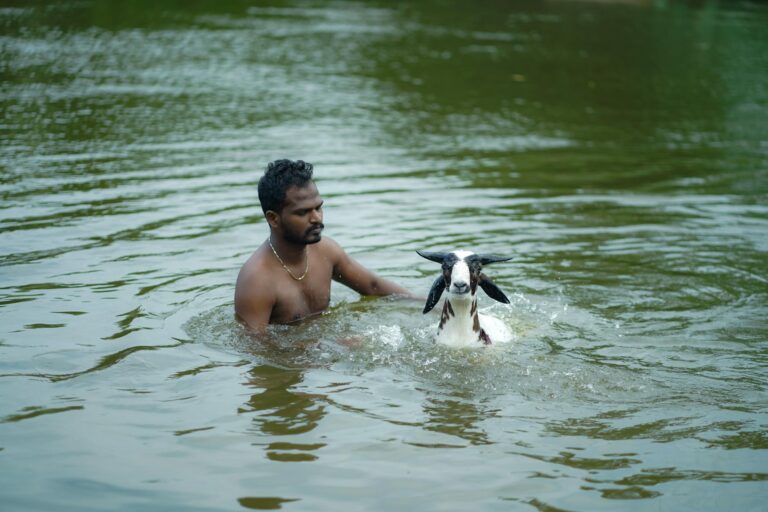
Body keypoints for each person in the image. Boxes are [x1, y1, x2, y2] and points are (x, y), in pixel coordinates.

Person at [235, 159, 411, 333]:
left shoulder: (326, 251)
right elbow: (255, 348)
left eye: (318, 208)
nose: (316, 218)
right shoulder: (257, 280)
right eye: (303, 212)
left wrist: (431, 305)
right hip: (301, 356)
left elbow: (373, 286)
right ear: (273, 218)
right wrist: (325, 347)